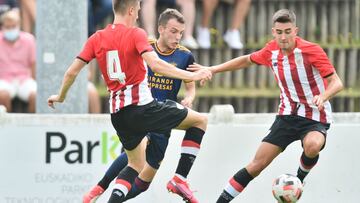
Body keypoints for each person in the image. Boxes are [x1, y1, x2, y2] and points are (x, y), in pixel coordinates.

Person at [47, 1, 211, 203]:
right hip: (143, 108)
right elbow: (157, 65)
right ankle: (180, 178)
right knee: (200, 121)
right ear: (132, 10)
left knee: (135, 165)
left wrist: (60, 96)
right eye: (139, 9)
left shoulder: (96, 37)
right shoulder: (136, 34)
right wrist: (194, 76)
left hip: (118, 115)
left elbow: (72, 71)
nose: (139, 13)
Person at [189, 9, 343, 202]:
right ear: (273, 32)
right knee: (256, 165)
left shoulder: (311, 50)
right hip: (287, 116)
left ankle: (299, 181)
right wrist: (211, 68)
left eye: (288, 31)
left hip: (314, 116)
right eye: (279, 32)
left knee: (312, 146)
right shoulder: (271, 51)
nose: (284, 37)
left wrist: (324, 95)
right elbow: (246, 60)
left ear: (296, 30)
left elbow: (337, 82)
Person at [83, 8, 197, 202]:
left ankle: (112, 198)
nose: (178, 37)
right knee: (136, 157)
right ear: (160, 29)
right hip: (142, 108)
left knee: (144, 181)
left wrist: (190, 96)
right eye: (173, 31)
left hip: (165, 115)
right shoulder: (144, 46)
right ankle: (99, 187)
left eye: (181, 32)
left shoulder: (185, 56)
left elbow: (190, 84)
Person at [0, 9, 36, 113]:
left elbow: (33, 64)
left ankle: (32, 126)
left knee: (37, 96)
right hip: (4, 79)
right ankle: (6, 127)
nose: (11, 29)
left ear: (19, 25)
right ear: (2, 26)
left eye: (13, 26)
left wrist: (34, 79)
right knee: (3, 95)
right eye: (8, 27)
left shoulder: (29, 39)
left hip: (24, 79)